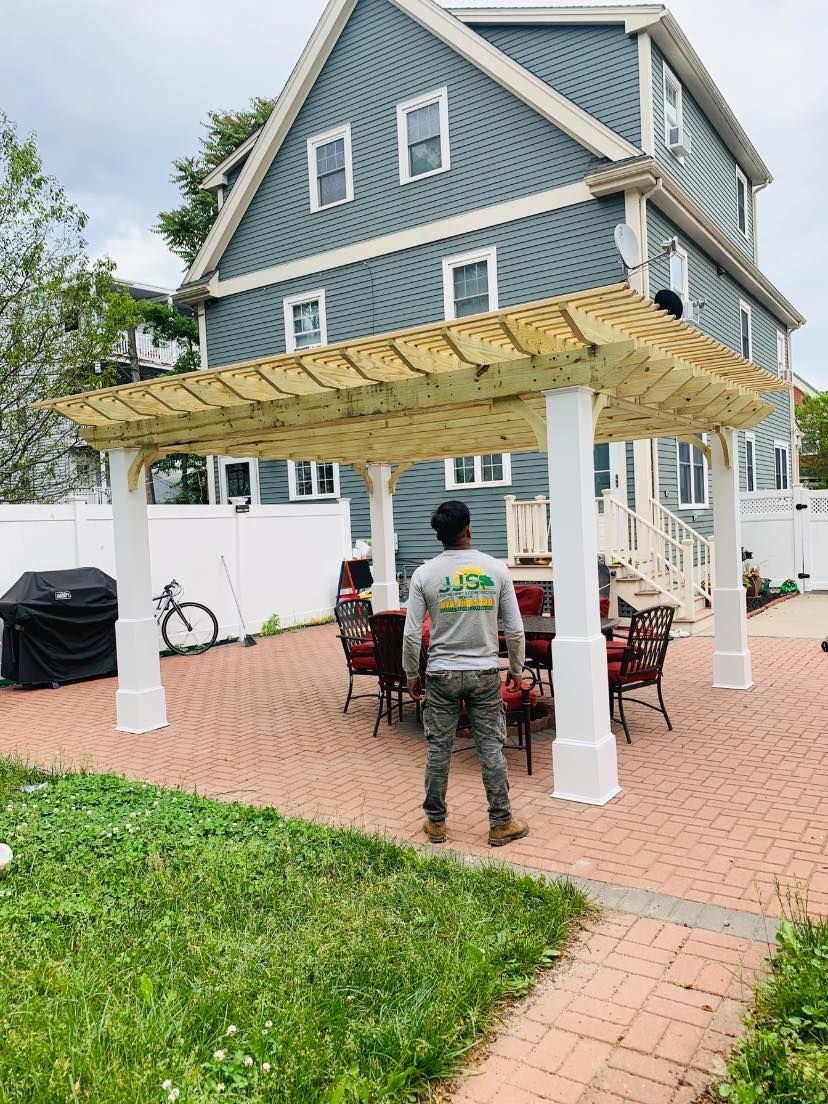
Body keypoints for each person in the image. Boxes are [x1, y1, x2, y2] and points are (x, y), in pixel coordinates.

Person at [402, 500, 529, 847]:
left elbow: (411, 633)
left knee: (438, 749)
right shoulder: (496, 570)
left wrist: (411, 672)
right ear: (469, 528)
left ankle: (436, 823)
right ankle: (501, 823)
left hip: (440, 674)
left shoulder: (424, 574)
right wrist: (516, 668)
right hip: (484, 673)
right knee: (491, 748)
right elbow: (514, 629)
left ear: (438, 535)